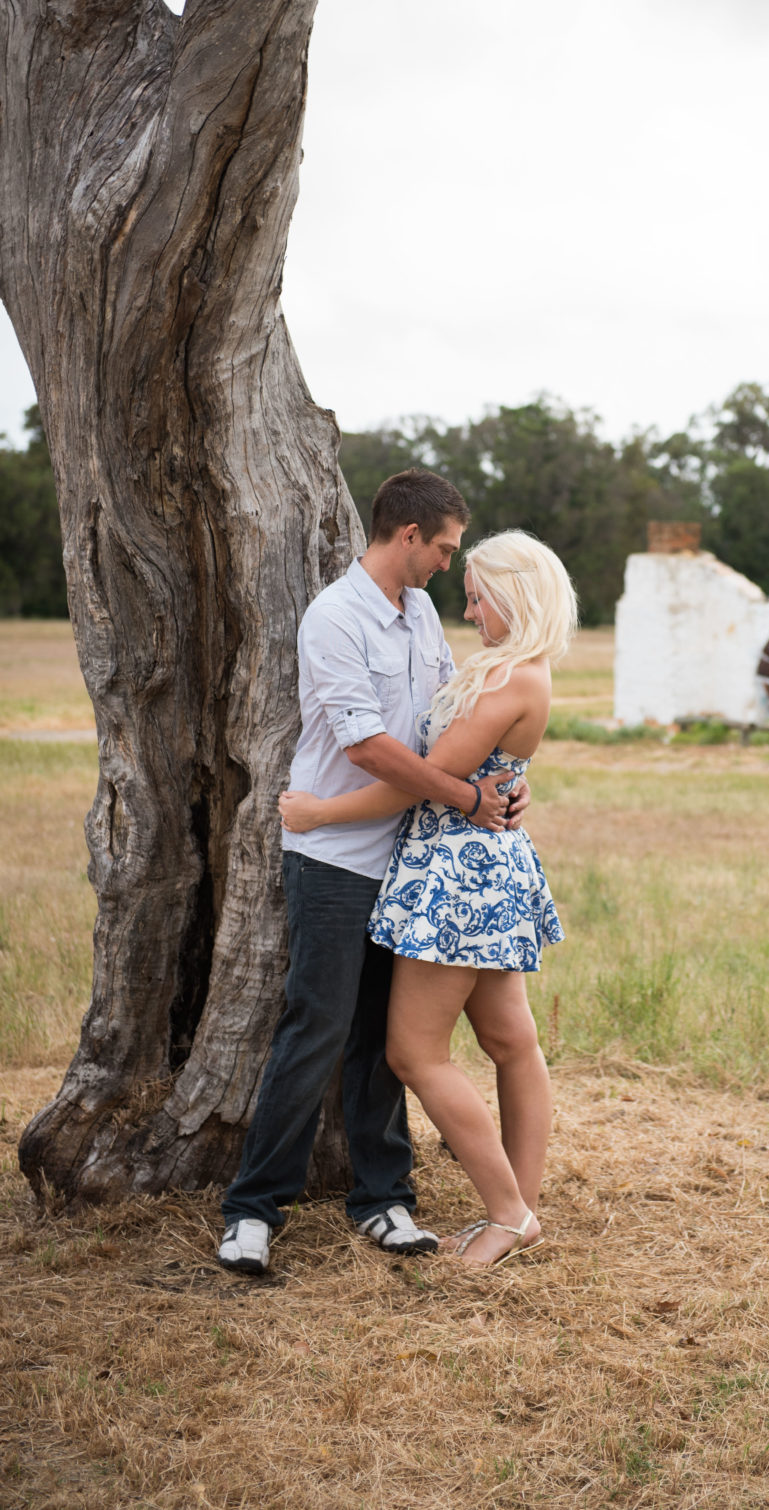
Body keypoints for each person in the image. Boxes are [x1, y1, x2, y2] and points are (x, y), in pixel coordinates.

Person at [217, 470, 528, 1277]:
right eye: (447, 549)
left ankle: (384, 1200)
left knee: (384, 1039)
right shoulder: (335, 618)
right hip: (333, 860)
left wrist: (503, 780)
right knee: (315, 1028)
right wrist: (466, 796)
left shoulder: (421, 615)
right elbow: (365, 746)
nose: (449, 568)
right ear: (409, 536)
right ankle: (253, 1209)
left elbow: (444, 722)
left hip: (410, 865)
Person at [277, 529, 576, 1268]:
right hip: (482, 866)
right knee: (511, 1041)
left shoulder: (514, 678)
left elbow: (421, 779)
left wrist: (320, 813)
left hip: (458, 878)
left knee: (413, 1052)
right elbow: (471, 771)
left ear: (514, 594)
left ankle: (509, 1214)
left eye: (479, 594)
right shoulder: (512, 670)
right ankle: (519, 1211)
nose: (469, 607)